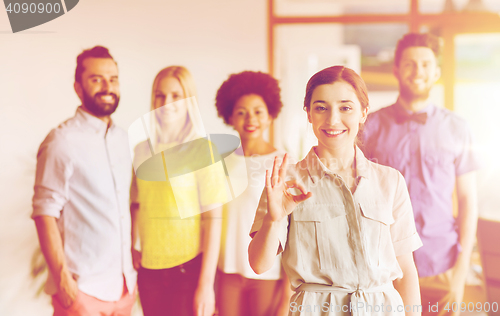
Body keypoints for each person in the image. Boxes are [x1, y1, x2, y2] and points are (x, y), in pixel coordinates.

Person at [248, 65, 423, 316]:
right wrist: (272, 219)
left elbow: (405, 268)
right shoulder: (285, 182)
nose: (332, 120)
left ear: (363, 112)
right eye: (321, 107)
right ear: (308, 113)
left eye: (345, 108)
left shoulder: (390, 181)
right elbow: (258, 264)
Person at [362, 33, 481, 316]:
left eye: (426, 65)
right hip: (383, 266)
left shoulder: (457, 128)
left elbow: (468, 201)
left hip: (441, 265)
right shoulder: (369, 127)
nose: (418, 72)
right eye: (410, 64)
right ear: (396, 70)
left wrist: (461, 274)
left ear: (436, 72)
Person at [32, 46, 137, 315]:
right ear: (78, 88)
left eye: (113, 79)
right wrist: (63, 281)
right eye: (96, 79)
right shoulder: (61, 141)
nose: (107, 86)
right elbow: (44, 214)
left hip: (124, 289)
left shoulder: (124, 140)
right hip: (83, 292)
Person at [130, 66, 226, 316]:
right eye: (160, 95)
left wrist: (206, 285)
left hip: (188, 270)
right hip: (149, 271)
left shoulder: (204, 150)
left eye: (176, 95)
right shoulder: (141, 150)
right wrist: (132, 246)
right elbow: (136, 203)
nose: (166, 103)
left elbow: (213, 221)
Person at [215, 71, 293, 316]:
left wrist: (287, 298)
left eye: (258, 111)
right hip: (227, 272)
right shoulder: (220, 162)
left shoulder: (283, 162)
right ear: (229, 116)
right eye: (241, 112)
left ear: (270, 115)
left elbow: (293, 233)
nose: (251, 119)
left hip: (267, 274)